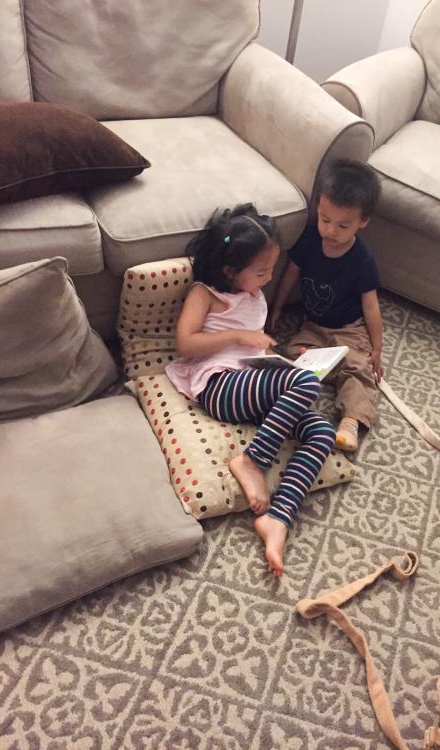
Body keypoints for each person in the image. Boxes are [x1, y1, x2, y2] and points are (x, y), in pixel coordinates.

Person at [166, 203, 336, 577]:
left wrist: (286, 362)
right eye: (262, 272)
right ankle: (252, 461)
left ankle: (278, 518)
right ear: (230, 270)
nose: (270, 277)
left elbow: (257, 352)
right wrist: (240, 335)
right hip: (219, 385)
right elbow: (186, 343)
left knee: (322, 431)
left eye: (272, 269)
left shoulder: (254, 295)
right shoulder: (206, 293)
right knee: (305, 384)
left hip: (251, 384)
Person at [268, 159, 383, 453]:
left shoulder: (362, 259)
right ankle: (332, 370)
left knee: (359, 370)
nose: (330, 231)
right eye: (324, 219)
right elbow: (290, 274)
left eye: (342, 225)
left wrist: (377, 348)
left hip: (349, 329)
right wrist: (276, 308)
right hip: (314, 326)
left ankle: (350, 422)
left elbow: (371, 306)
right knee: (293, 353)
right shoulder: (310, 239)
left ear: (363, 222)